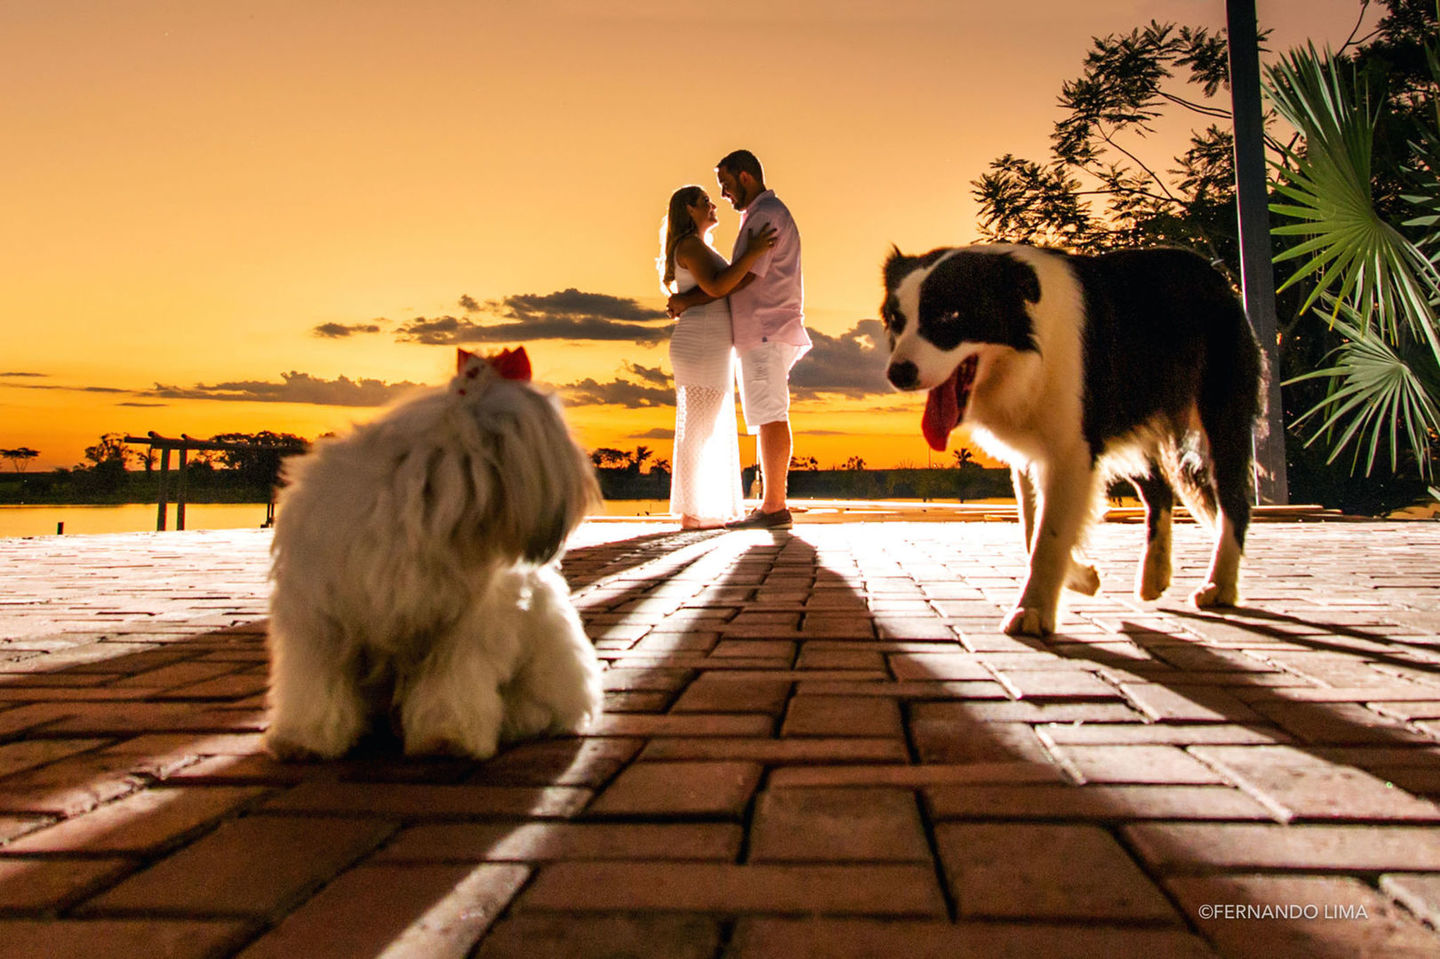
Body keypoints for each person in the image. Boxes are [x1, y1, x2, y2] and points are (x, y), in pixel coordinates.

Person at [668, 149, 809, 530]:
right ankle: (768, 505)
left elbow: (736, 281)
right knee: (767, 414)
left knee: (770, 413)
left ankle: (774, 507)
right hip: (759, 330)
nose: (724, 195)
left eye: (727, 185)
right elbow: (728, 280)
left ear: (746, 177)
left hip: (764, 329)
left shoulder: (765, 216)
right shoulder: (760, 215)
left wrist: (686, 300)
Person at [658, 184, 777, 529]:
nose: (713, 206)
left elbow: (725, 285)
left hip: (709, 343)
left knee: (702, 427)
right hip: (700, 343)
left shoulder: (699, 246)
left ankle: (696, 511)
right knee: (699, 429)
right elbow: (717, 287)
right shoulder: (690, 245)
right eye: (705, 202)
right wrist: (753, 252)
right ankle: (692, 513)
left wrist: (686, 300)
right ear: (689, 210)